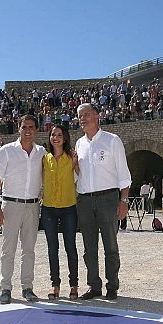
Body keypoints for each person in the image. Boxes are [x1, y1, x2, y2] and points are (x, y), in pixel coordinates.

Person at [74, 103, 131, 300]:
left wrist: (123, 200)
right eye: (80, 116)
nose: (83, 118)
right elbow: (79, 174)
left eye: (87, 114)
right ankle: (94, 286)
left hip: (108, 198)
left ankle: (112, 286)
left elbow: (124, 174)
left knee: (110, 245)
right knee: (89, 247)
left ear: (98, 116)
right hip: (85, 201)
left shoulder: (112, 141)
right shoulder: (79, 144)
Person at [0, 115, 45, 304]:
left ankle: (27, 287)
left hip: (32, 205)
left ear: (36, 130)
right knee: (8, 249)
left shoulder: (41, 153)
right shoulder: (6, 151)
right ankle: (5, 288)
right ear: (18, 129)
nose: (28, 130)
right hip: (11, 205)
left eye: (31, 127)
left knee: (29, 249)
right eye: (24, 127)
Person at [41, 124, 79, 300]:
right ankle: (55, 285)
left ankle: (74, 285)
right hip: (49, 208)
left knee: (70, 247)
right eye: (53, 135)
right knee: (52, 248)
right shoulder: (44, 159)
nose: (55, 138)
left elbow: (81, 176)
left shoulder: (72, 157)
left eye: (59, 135)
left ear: (65, 138)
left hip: (68, 208)